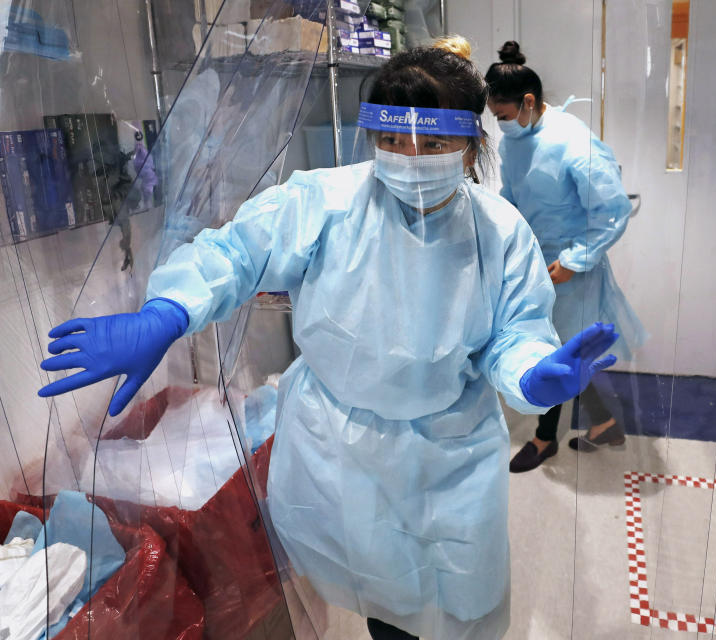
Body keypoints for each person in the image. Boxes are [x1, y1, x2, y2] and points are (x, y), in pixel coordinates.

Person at [36, 48, 622, 640]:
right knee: (379, 601)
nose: (410, 160)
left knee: (456, 607)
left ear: (471, 145)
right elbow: (237, 254)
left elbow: (513, 333)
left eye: (434, 146)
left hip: (448, 459)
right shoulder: (324, 202)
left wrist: (530, 374)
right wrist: (166, 313)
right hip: (341, 453)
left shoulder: (500, 233)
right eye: (392, 143)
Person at [485, 40, 647, 473]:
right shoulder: (514, 142)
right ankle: (606, 423)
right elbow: (513, 196)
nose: (501, 127)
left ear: (529, 102)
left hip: (573, 267)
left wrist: (576, 260)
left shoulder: (573, 142)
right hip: (538, 260)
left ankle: (543, 438)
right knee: (561, 351)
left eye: (504, 117)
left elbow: (612, 211)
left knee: (555, 350)